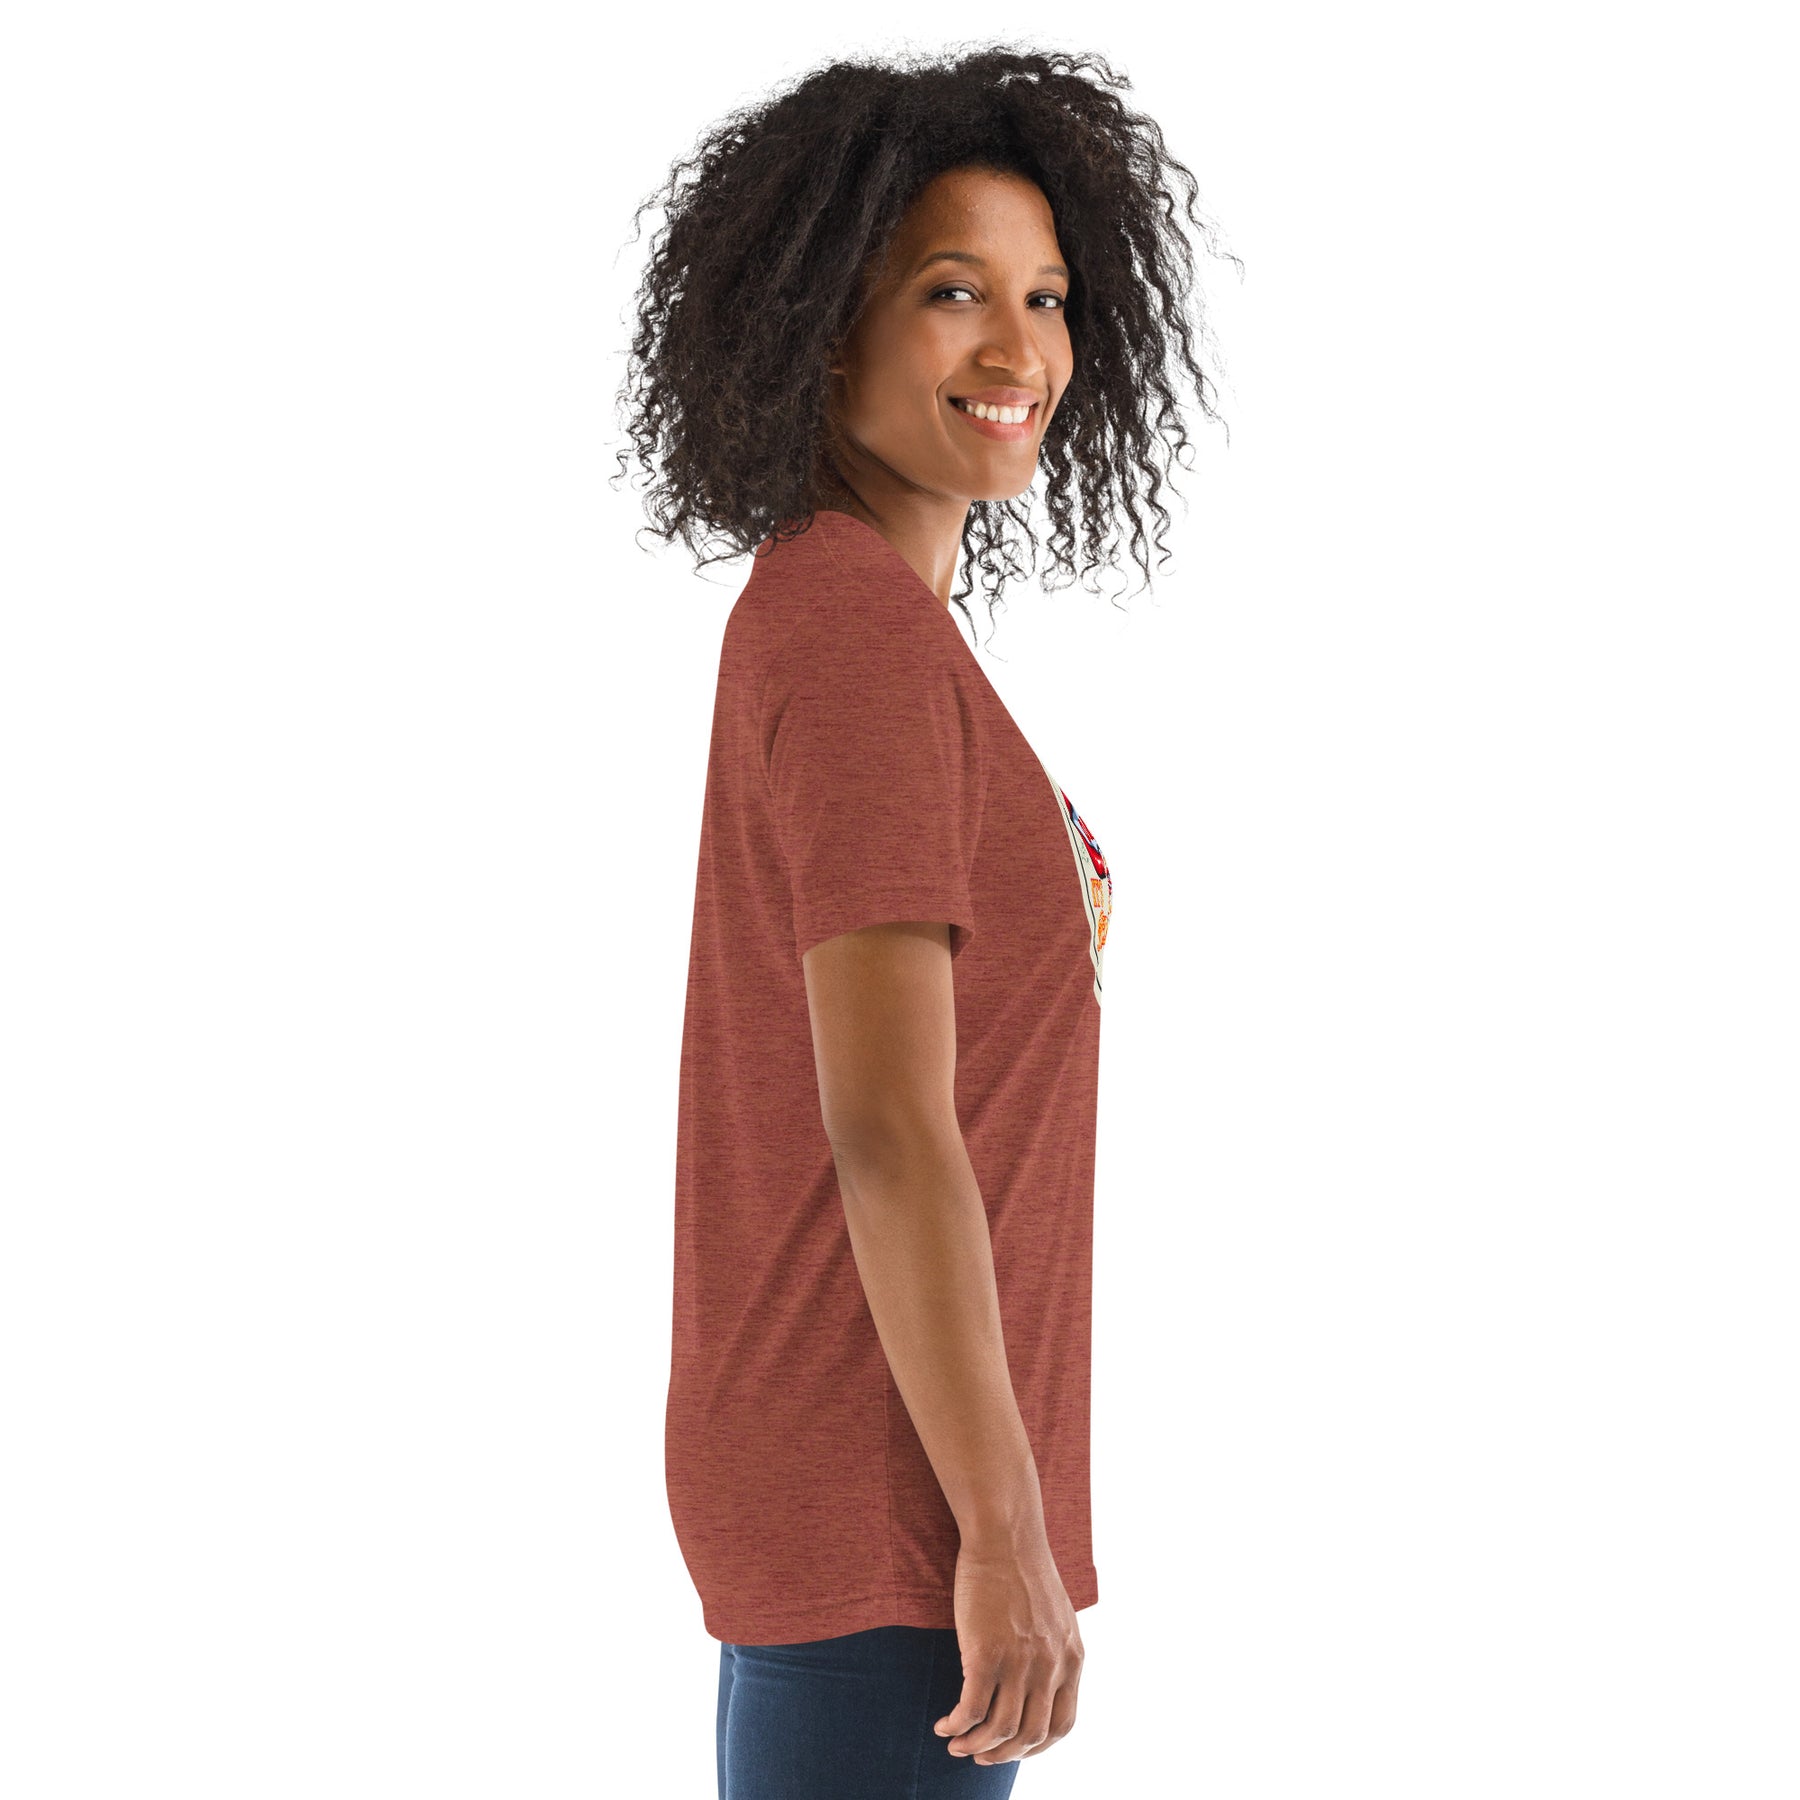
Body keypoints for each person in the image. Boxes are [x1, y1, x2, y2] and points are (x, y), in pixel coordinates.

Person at [614, 42, 1228, 1797]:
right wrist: (1004, 1533)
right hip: (892, 1492)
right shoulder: (854, 638)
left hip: (860, 1470)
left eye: (1047, 298)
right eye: (954, 292)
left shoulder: (858, 621)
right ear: (825, 326)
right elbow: (889, 1127)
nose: (1017, 348)